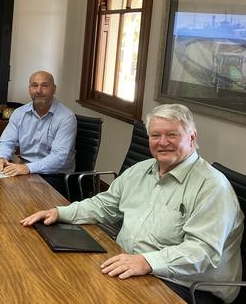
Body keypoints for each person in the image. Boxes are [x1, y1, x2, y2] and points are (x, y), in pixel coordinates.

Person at [20, 104, 243, 304]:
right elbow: (105, 205)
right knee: (59, 282)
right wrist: (60, 212)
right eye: (155, 135)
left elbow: (201, 252)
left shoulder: (212, 188)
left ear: (192, 138)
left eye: (172, 135)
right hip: (131, 264)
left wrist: (146, 261)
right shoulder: (141, 170)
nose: (162, 142)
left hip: (186, 286)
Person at [0, 70, 76, 195]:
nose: (39, 90)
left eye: (44, 86)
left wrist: (28, 168)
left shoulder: (66, 117)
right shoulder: (19, 113)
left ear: (54, 89)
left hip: (55, 176)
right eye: (34, 85)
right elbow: (7, 142)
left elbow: (59, 158)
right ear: (30, 89)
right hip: (25, 170)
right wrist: (1, 157)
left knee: (22, 198)